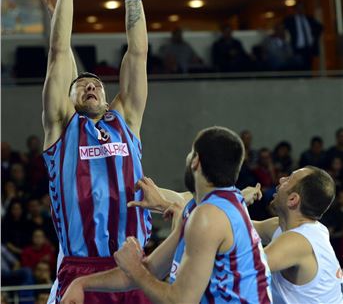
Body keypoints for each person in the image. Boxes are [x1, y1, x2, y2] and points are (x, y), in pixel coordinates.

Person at [40, 0, 151, 304]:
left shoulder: (126, 119)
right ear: (68, 100)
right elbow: (59, 53)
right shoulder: (63, 127)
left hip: (136, 267)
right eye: (81, 85)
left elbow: (136, 55)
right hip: (82, 269)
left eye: (96, 84)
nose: (90, 87)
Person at [62, 126, 272, 303]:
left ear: (195, 161)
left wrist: (135, 269)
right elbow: (150, 269)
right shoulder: (205, 208)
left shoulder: (208, 216)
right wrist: (82, 283)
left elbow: (180, 300)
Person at [253, 166, 342, 303]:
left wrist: (235, 199)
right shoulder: (287, 227)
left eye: (288, 180)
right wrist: (236, 200)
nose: (281, 179)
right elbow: (237, 227)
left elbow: (244, 267)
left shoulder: (297, 241)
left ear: (293, 199)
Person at [284, 1, 323, 71]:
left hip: (309, 48)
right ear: (295, 9)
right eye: (299, 8)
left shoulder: (309, 19)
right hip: (296, 49)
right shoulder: (290, 20)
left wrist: (314, 37)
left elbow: (320, 27)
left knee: (308, 68)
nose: (300, 10)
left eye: (302, 8)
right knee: (298, 67)